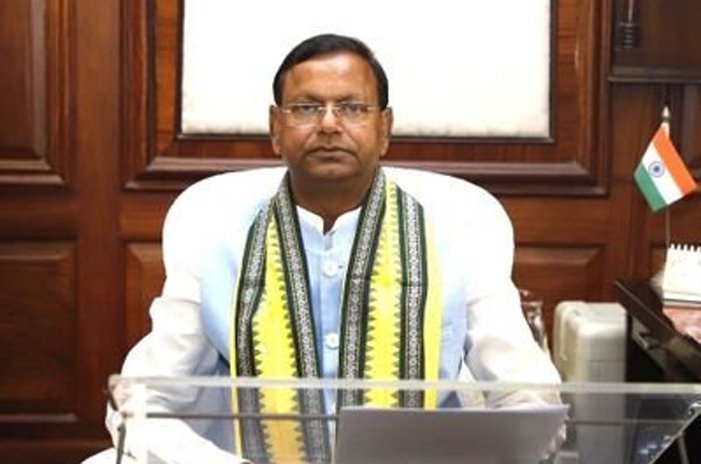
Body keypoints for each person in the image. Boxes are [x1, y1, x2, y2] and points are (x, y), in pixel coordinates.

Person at [87, 33, 562, 464]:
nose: (330, 124)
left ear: (385, 128)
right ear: (276, 128)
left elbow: (530, 399)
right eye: (306, 108)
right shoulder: (217, 235)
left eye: (352, 108)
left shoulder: (457, 233)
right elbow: (139, 402)